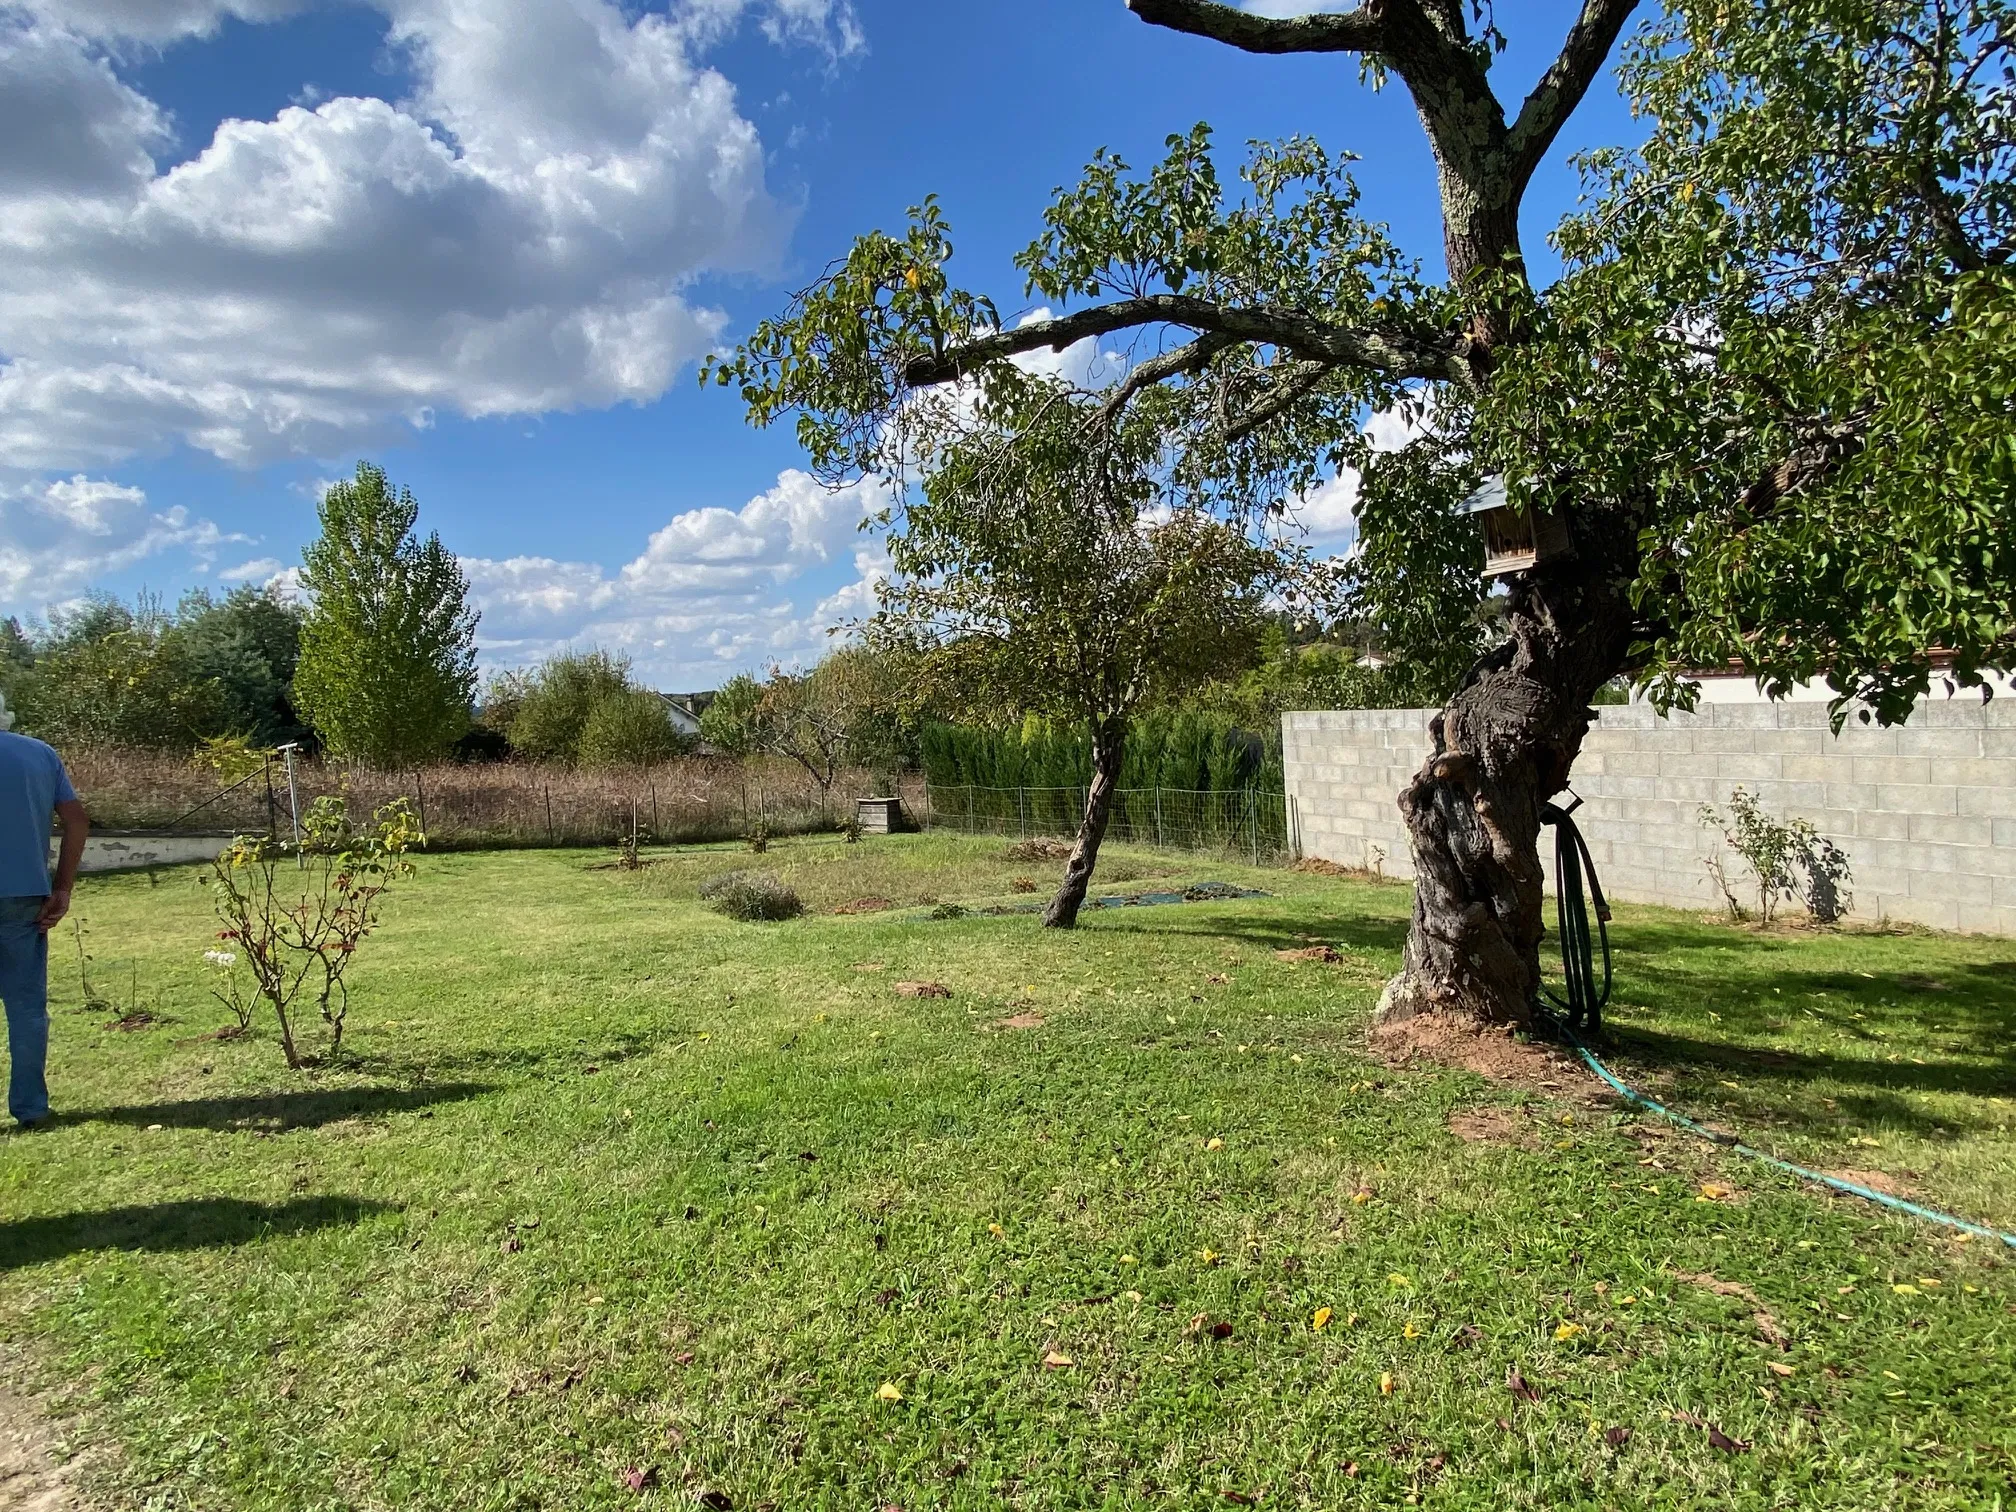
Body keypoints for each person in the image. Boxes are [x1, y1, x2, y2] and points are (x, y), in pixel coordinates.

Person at [0, 693, 87, 1130]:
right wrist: (63, 887)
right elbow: (76, 819)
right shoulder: (39, 754)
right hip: (24, 895)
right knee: (27, 1006)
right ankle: (31, 1107)